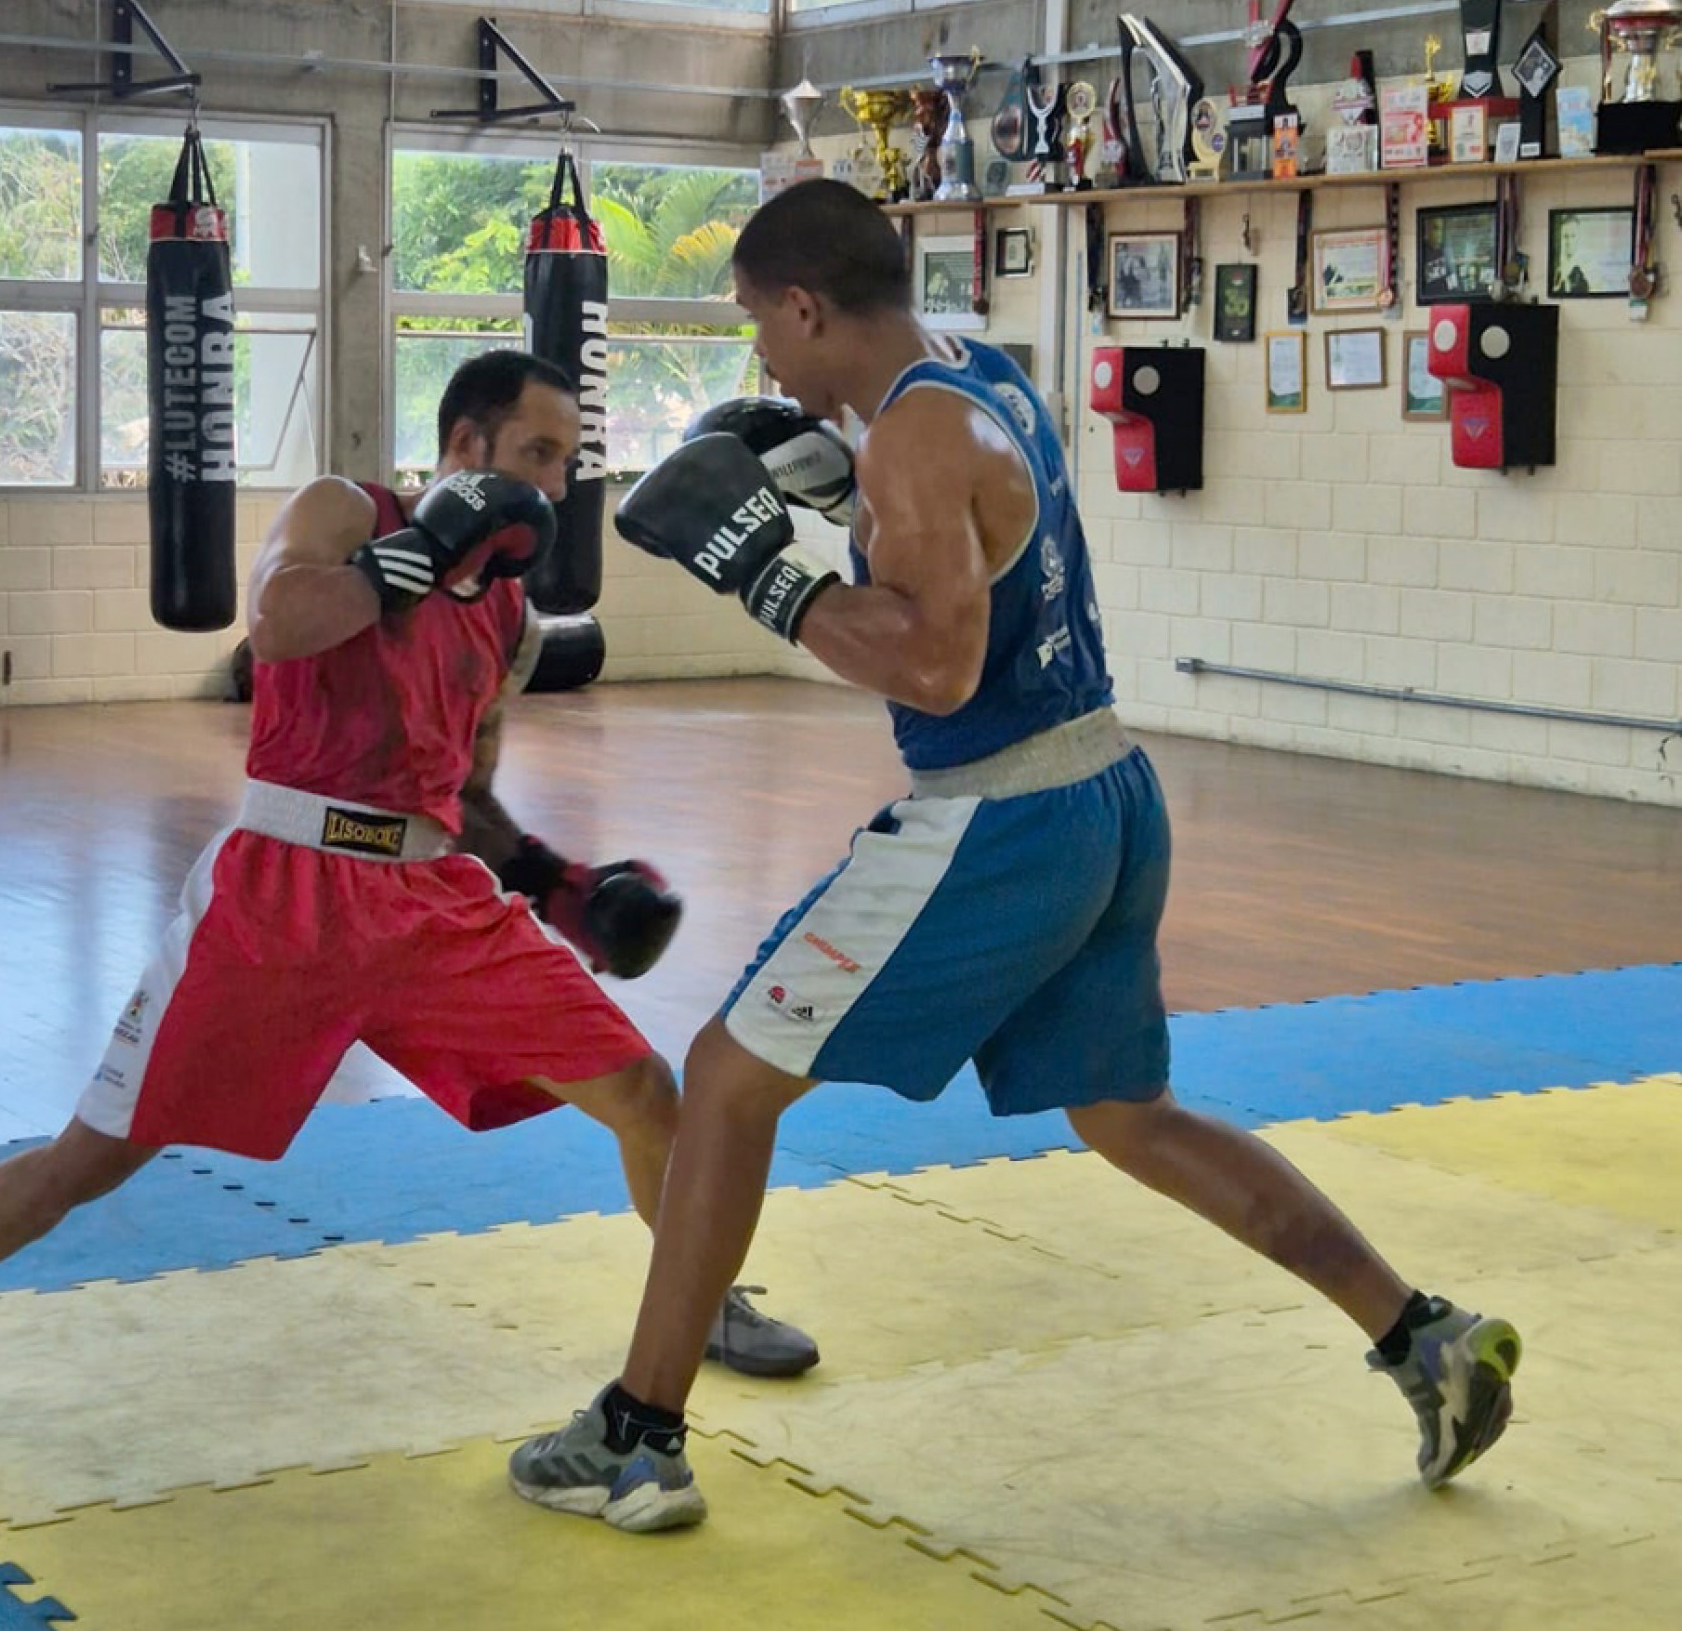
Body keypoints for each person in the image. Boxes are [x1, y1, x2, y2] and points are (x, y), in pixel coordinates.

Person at [508, 178, 1521, 1534]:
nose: (758, 352)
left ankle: (638, 1437)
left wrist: (768, 570)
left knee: (728, 1078)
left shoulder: (910, 440)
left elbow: (935, 665)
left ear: (805, 305)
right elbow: (974, 552)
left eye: (757, 320)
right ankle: (1420, 1335)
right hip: (1106, 791)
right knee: (1129, 1115)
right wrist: (846, 503)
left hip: (998, 818)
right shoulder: (974, 372)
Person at [0, 351, 816, 1409]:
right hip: (281, 895)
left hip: (431, 904)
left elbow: (463, 794)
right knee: (94, 1153)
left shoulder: (509, 615)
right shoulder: (345, 509)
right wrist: (415, 556)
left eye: (569, 460)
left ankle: (701, 1299)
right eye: (538, 452)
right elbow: (276, 624)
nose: (557, 484)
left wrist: (560, 887)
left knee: (645, 1090)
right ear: (465, 444)